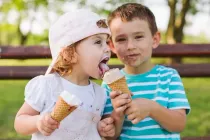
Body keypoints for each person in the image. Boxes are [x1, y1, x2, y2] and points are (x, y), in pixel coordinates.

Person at [14, 9, 115, 140]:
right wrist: (38, 121)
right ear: (70, 54)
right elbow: (20, 122)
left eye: (106, 41)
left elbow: (88, 129)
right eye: (97, 42)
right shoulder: (48, 86)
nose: (107, 48)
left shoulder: (100, 94)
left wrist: (101, 127)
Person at [101, 3, 191, 140]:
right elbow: (111, 136)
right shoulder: (109, 83)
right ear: (112, 46)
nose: (130, 46)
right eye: (121, 39)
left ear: (154, 40)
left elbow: (179, 124)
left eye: (138, 37)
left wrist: (152, 108)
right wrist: (117, 115)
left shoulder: (169, 77)